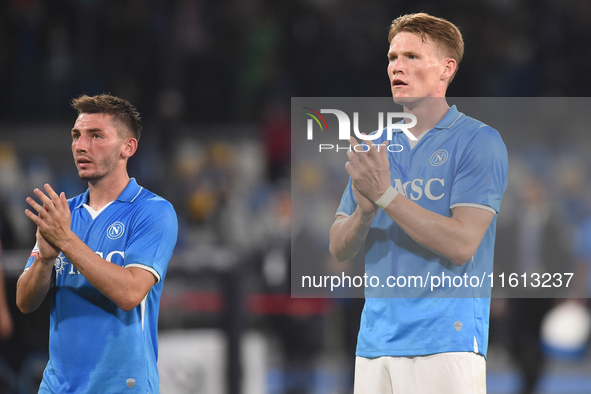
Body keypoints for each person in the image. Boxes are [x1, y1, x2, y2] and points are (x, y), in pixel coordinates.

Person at [329, 13, 508, 393]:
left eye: (411, 56)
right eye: (393, 57)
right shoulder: (375, 145)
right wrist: (363, 213)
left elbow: (461, 245)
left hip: (446, 344)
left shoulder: (479, 141)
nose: (397, 66)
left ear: (447, 69)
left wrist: (386, 196)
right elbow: (339, 247)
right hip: (374, 345)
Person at [16, 94, 178, 393]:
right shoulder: (64, 214)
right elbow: (25, 302)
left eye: (96, 136)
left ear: (127, 148)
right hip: (58, 387)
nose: (80, 145)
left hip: (121, 387)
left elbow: (130, 293)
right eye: (76, 135)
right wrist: (44, 260)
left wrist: (66, 240)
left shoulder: (153, 211)